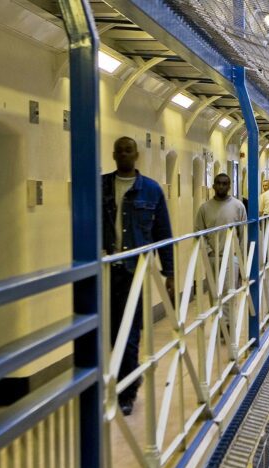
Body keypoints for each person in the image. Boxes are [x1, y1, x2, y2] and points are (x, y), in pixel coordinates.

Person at [102, 136, 175, 416]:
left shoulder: (152, 191)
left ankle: (127, 392)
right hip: (108, 269)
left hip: (135, 271)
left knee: (130, 334)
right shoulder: (101, 186)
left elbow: (163, 234)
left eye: (128, 150)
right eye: (119, 150)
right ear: (113, 154)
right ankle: (126, 378)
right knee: (110, 334)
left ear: (137, 155)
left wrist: (169, 273)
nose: (123, 154)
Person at [195, 173, 247, 342]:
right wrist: (209, 251)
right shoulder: (204, 208)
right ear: (213, 186)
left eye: (225, 183)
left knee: (228, 292)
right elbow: (198, 232)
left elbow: (243, 234)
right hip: (212, 257)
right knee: (214, 293)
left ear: (229, 185)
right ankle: (220, 323)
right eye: (218, 183)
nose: (221, 186)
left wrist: (241, 259)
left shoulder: (238, 207)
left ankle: (226, 327)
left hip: (231, 257)